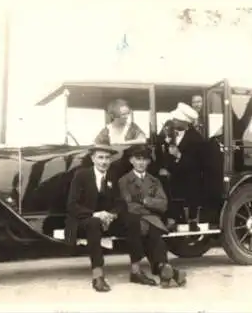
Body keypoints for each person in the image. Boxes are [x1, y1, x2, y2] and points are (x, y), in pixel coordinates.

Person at [65, 144, 159, 292]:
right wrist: (95, 214)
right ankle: (98, 276)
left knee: (132, 221)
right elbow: (72, 205)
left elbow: (120, 203)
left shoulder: (113, 176)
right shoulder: (81, 176)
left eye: (107, 158)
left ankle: (136, 271)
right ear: (92, 159)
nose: (104, 162)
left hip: (108, 219)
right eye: (100, 157)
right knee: (94, 224)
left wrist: (112, 214)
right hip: (85, 220)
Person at [118, 144, 187, 288]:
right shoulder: (124, 181)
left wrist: (145, 201)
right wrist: (150, 206)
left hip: (152, 220)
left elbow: (163, 204)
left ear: (149, 162)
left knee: (156, 237)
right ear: (131, 160)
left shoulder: (154, 181)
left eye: (145, 159)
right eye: (138, 159)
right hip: (135, 220)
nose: (141, 163)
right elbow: (128, 205)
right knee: (153, 235)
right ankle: (166, 271)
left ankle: (164, 271)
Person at [156, 102, 207, 232]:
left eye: (176, 119)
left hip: (187, 174)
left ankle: (190, 219)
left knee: (192, 179)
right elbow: (158, 147)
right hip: (169, 171)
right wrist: (163, 165)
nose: (172, 120)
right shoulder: (167, 130)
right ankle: (166, 217)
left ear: (185, 122)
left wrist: (179, 155)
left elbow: (197, 164)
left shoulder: (196, 139)